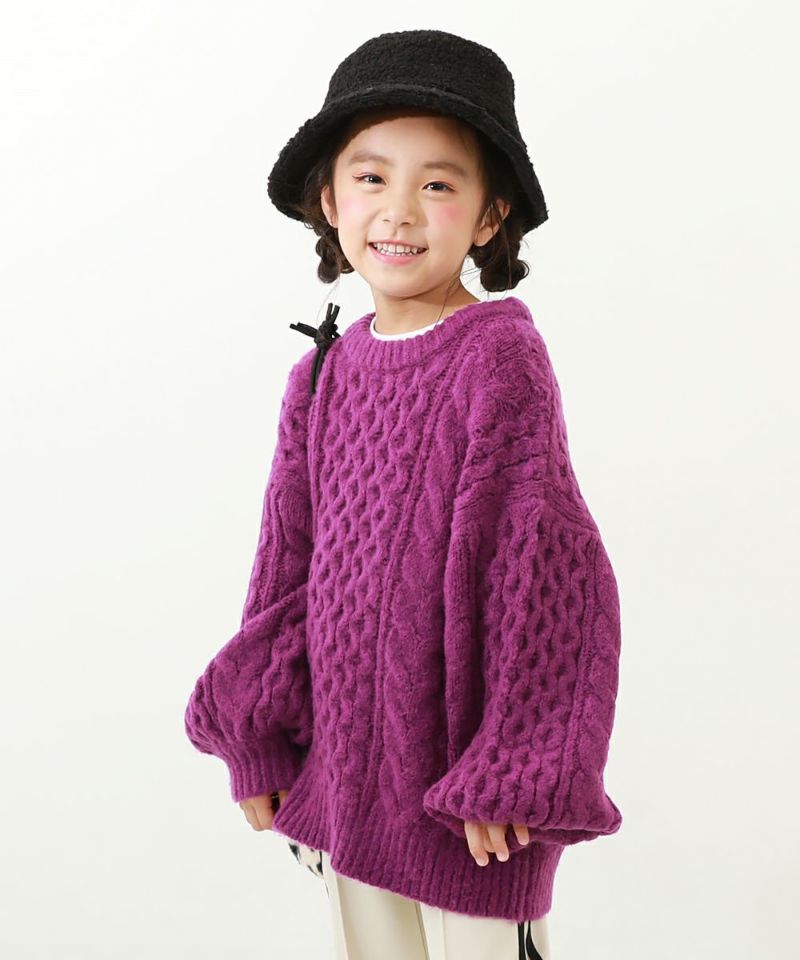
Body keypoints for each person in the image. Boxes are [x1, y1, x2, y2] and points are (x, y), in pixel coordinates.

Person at [183, 28, 623, 960]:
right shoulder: (322, 376)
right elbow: (287, 572)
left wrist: (513, 768)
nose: (400, 211)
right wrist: (257, 733)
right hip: (344, 781)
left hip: (468, 803)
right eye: (372, 177)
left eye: (438, 185)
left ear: (489, 215)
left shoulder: (497, 360)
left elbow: (544, 572)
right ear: (330, 200)